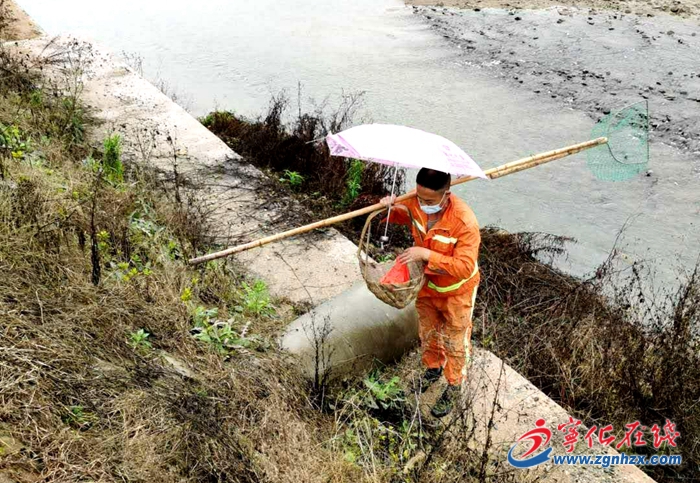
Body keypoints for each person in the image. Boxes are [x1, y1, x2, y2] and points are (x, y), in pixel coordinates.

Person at [380, 168, 480, 418]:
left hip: (457, 291)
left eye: (429, 201)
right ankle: (433, 368)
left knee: (456, 340)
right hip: (427, 285)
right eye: (420, 198)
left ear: (446, 194)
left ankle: (454, 384)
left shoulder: (465, 222)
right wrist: (389, 207)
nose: (423, 204)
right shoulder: (415, 201)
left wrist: (426, 254)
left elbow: (464, 266)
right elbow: (404, 215)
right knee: (428, 331)